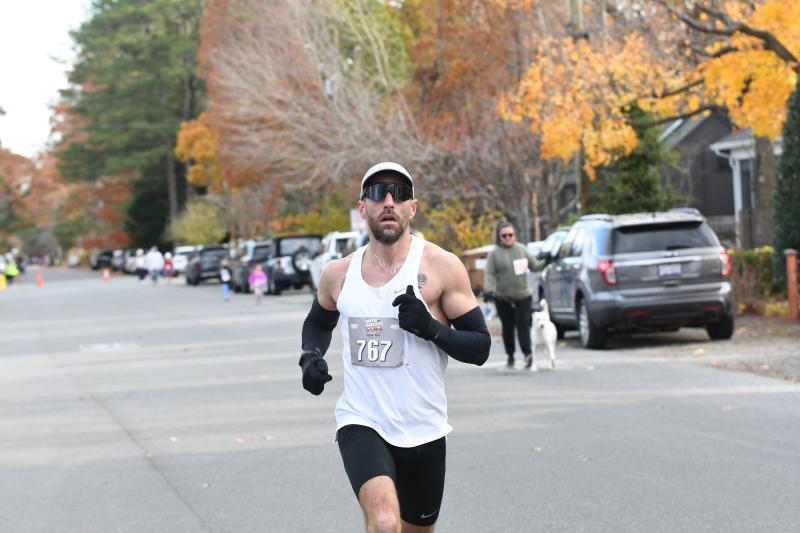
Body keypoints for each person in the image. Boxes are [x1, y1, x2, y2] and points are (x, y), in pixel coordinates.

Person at [299, 161, 491, 532]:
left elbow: (480, 347)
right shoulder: (339, 273)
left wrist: (431, 328)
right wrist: (310, 356)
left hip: (424, 428)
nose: (388, 201)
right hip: (362, 419)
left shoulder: (441, 267)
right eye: (377, 193)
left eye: (399, 193)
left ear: (412, 207)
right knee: (385, 523)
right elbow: (319, 321)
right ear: (362, 208)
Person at [483, 220, 540, 370]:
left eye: (510, 235)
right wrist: (488, 290)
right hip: (503, 298)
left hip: (523, 296)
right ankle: (510, 356)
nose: (508, 238)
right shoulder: (494, 254)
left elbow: (535, 266)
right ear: (499, 237)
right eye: (504, 235)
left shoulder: (521, 249)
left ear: (514, 235)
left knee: (523, 324)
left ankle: (528, 355)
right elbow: (489, 274)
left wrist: (547, 259)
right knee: (507, 327)